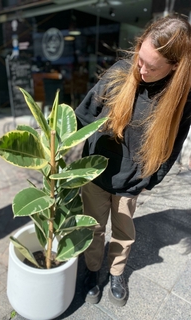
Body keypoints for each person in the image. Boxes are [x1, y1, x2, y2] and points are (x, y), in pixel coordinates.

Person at [75, 15, 191, 307]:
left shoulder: (180, 101)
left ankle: (116, 273)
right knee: (93, 228)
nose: (140, 70)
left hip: (131, 180)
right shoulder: (120, 72)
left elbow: (172, 148)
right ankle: (91, 272)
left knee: (124, 232)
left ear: (175, 66)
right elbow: (82, 115)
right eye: (140, 58)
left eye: (151, 67)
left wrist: (149, 179)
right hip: (96, 171)